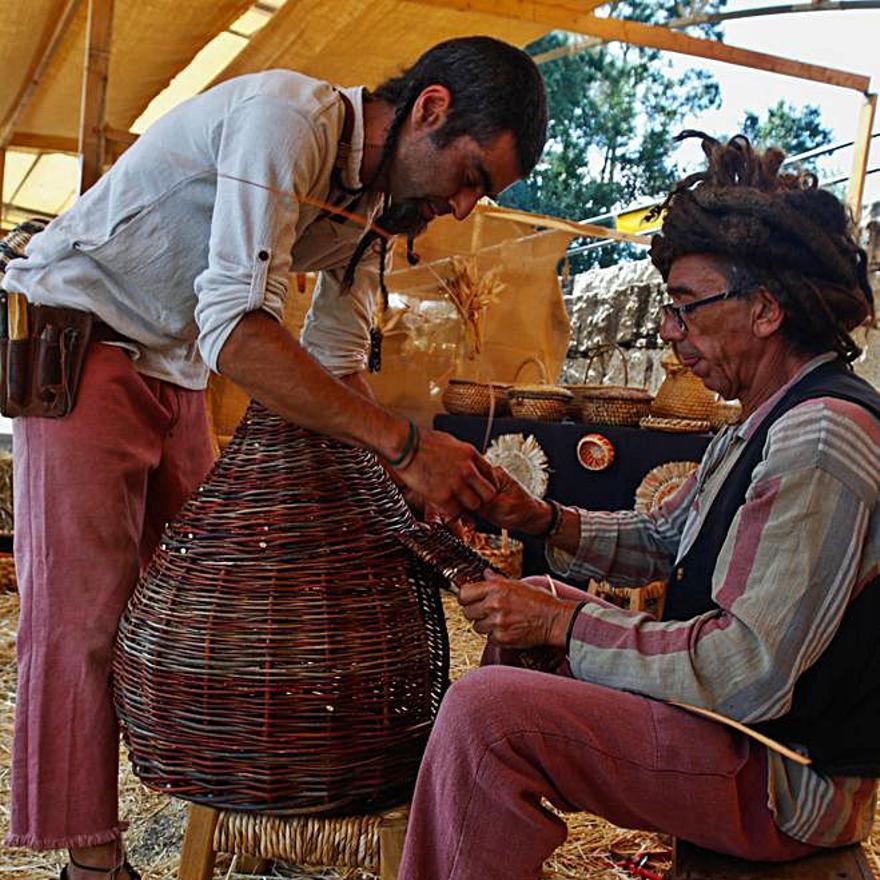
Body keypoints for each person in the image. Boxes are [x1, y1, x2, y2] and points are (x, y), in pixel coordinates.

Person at [1, 36, 547, 878]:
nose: (467, 207)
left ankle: (237, 802)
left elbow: (336, 364)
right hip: (81, 337)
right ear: (429, 110)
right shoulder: (285, 122)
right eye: (471, 175)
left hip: (173, 359)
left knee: (207, 594)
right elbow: (239, 332)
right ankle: (91, 862)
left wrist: (408, 472)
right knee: (82, 618)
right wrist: (404, 446)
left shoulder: (379, 209)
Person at [398, 132, 880, 880]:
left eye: (687, 308)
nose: (668, 332)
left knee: (487, 717)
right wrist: (543, 522)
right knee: (543, 603)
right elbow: (667, 536)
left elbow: (746, 668)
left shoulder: (818, 438)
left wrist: (567, 624)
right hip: (754, 742)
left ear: (764, 309)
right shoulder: (765, 416)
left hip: (790, 780)